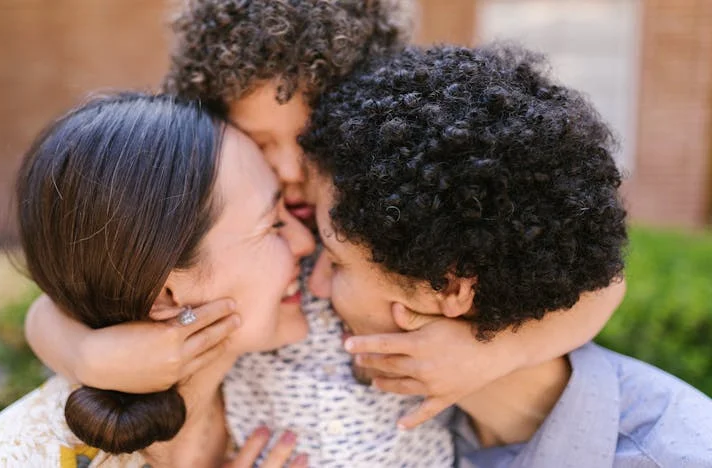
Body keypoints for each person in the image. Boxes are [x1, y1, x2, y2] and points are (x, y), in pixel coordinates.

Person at [24, 1, 626, 465]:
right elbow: (58, 307)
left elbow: (600, 285)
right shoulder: (232, 246)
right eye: (260, 142)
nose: (289, 171)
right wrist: (89, 355)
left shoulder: (386, 234)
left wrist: (491, 353)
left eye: (307, 140)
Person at [302, 44, 712, 467]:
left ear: (450, 287)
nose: (314, 284)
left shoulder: (678, 456)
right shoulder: (410, 433)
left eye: (336, 262)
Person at [0, 93, 315, 467]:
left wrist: (85, 353)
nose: (307, 241)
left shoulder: (291, 393)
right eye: (274, 224)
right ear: (165, 296)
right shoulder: (21, 457)